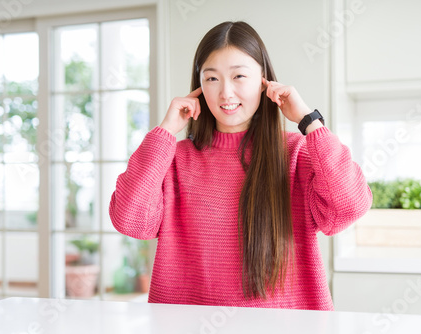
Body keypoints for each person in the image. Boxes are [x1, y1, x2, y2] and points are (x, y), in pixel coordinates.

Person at [109, 21, 372, 311]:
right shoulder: (173, 159)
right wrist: (165, 132)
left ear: (264, 81)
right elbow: (130, 220)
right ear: (198, 85)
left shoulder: (297, 153)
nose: (226, 93)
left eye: (239, 76)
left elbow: (348, 207)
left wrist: (309, 122)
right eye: (211, 79)